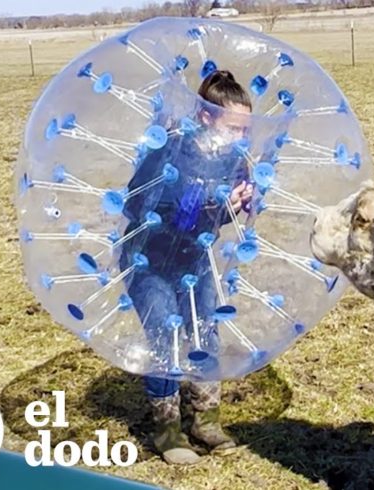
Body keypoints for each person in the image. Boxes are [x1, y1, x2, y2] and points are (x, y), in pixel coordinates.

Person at [120, 70, 254, 465]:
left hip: (195, 258)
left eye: (246, 130)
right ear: (206, 117)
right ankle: (167, 429)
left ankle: (205, 420)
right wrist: (209, 198)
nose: (240, 139)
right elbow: (142, 207)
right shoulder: (168, 151)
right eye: (233, 128)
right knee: (167, 333)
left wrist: (236, 206)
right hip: (150, 260)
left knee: (205, 330)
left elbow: (211, 221)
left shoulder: (234, 160)